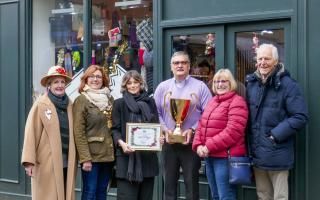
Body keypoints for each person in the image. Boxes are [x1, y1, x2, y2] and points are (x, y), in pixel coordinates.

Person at [246, 43, 308, 200]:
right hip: (257, 153)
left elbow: (300, 116)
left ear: (276, 61)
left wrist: (275, 135)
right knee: (263, 196)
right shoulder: (252, 83)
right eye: (260, 58)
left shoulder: (288, 85)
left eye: (267, 58)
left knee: (280, 197)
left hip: (278, 152)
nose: (263, 62)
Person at [154, 51, 212, 200]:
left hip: (191, 144)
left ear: (189, 66)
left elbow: (208, 114)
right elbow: (155, 112)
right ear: (171, 67)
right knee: (169, 186)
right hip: (169, 143)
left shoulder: (201, 87)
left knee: (192, 187)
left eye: (183, 62)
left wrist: (193, 129)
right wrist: (165, 129)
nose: (180, 65)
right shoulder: (162, 87)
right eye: (176, 63)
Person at [21, 66, 77, 200]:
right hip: (46, 161)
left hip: (67, 161)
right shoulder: (41, 104)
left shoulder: (70, 104)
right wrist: (29, 162)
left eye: (62, 82)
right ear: (49, 85)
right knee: (48, 195)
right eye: (56, 82)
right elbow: (30, 133)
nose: (60, 85)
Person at [192, 68, 248, 200]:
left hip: (225, 158)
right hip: (209, 156)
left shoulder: (237, 101)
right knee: (216, 196)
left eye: (224, 81)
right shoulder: (213, 101)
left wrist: (208, 146)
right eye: (217, 81)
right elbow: (201, 124)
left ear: (231, 83)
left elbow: (233, 131)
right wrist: (198, 144)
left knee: (226, 196)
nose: (220, 84)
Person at [111, 70, 164, 200]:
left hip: (147, 160)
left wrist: (159, 138)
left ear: (141, 84)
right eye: (129, 83)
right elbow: (114, 129)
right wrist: (122, 144)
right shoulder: (119, 103)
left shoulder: (150, 102)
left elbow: (156, 126)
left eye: (136, 82)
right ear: (125, 85)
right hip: (126, 160)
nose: (133, 85)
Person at [73, 65, 114, 200]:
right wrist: (85, 159)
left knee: (102, 192)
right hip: (92, 157)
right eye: (91, 76)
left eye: (98, 76)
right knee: (90, 193)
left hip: (108, 155)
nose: (95, 79)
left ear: (103, 80)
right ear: (86, 79)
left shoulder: (109, 99)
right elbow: (78, 132)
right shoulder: (81, 100)